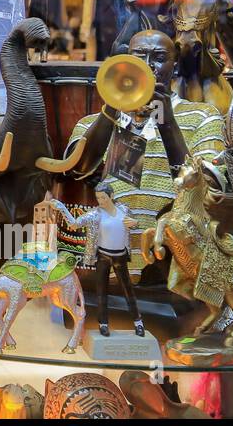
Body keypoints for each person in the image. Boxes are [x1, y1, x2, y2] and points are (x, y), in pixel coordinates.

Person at [63, 29, 224, 278]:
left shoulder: (204, 116)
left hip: (173, 265)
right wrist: (112, 109)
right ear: (124, 62)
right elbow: (78, 169)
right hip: (108, 262)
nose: (148, 66)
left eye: (159, 57)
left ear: (176, 66)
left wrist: (166, 120)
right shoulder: (92, 123)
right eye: (139, 56)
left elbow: (205, 189)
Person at [49, 186, 143, 337]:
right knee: (101, 292)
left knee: (128, 290)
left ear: (111, 196)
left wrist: (134, 223)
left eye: (104, 198)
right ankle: (103, 324)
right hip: (103, 256)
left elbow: (136, 225)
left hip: (120, 256)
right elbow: (74, 224)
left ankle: (138, 322)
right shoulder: (94, 214)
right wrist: (62, 208)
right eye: (98, 198)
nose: (101, 201)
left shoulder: (124, 210)